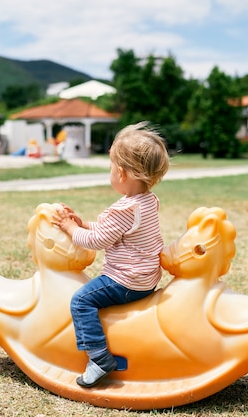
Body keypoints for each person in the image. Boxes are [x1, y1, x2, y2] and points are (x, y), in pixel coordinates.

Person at [52, 121, 170, 388]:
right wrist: (83, 223)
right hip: (147, 280)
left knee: (81, 301)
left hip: (126, 282)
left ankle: (99, 357)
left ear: (121, 172)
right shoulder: (148, 201)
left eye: (110, 167)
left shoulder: (124, 209)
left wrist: (71, 229)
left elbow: (96, 241)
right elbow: (114, 232)